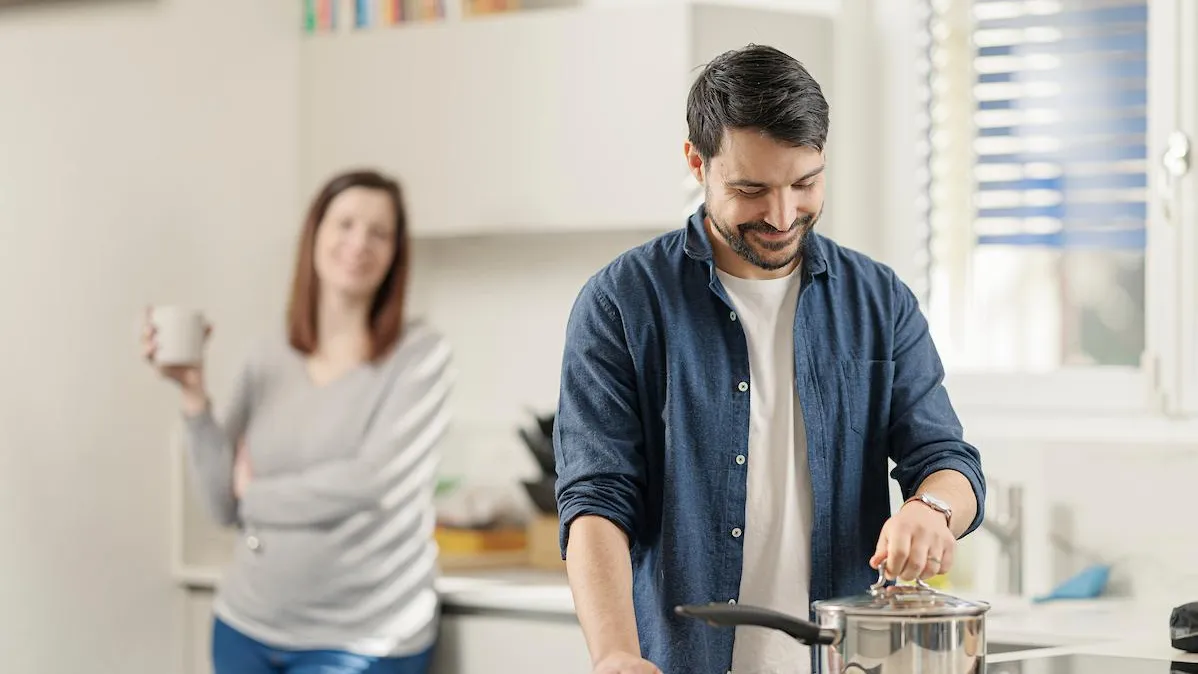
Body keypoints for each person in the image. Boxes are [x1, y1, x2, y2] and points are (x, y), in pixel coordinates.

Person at [553, 44, 985, 674]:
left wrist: (931, 509)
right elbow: (596, 500)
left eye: (805, 183)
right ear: (696, 163)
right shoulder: (622, 302)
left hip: (842, 661)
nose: (783, 216)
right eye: (751, 189)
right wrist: (615, 653)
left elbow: (948, 463)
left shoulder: (879, 299)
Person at [142, 169, 454, 674]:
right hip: (246, 624)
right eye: (346, 224)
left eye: (379, 232)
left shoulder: (420, 356)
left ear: (397, 253)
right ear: (316, 235)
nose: (360, 243)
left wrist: (257, 496)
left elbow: (372, 482)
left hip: (363, 638)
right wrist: (193, 392)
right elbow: (221, 503)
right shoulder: (267, 355)